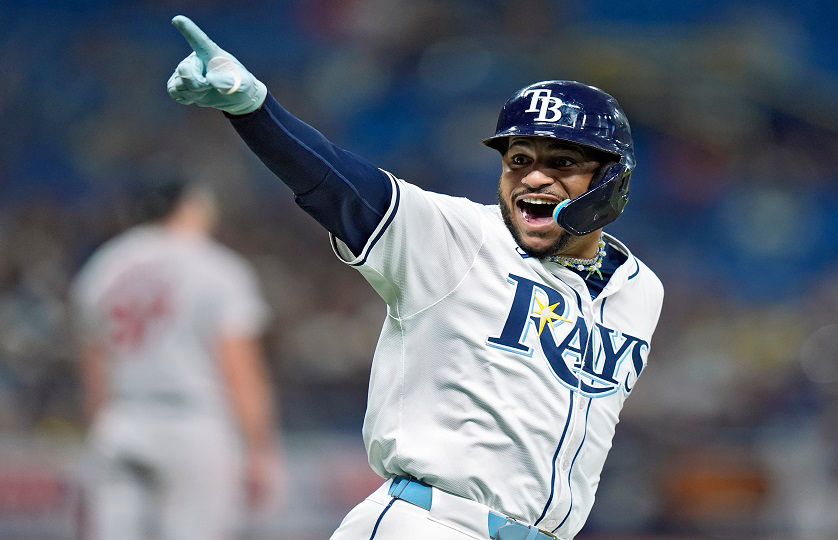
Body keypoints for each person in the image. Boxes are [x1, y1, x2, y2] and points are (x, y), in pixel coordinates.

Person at [166, 14, 662, 540]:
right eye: (518, 160)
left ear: (611, 181)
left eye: (561, 162)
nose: (533, 176)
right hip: (429, 522)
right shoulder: (456, 236)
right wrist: (254, 110)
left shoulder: (641, 292)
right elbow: (342, 186)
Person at [71, 178, 282, 540]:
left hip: (120, 420)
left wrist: (100, 430)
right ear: (189, 206)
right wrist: (260, 448)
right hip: (194, 425)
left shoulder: (104, 265)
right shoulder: (216, 266)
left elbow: (94, 366)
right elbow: (239, 368)